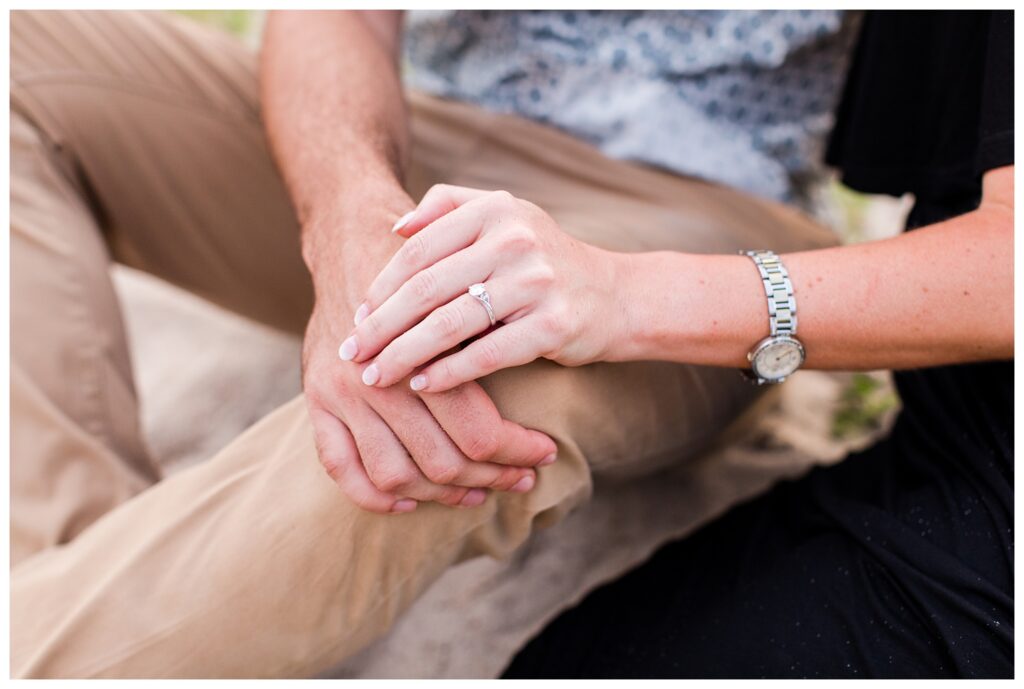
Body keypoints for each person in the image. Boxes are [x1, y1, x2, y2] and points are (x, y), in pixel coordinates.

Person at [10, 10, 856, 677]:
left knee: (465, 397)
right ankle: (82, 602)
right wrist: (349, 214)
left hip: (701, 210)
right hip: (419, 133)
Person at [326, 11, 1014, 678]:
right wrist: (346, 245)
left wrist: (625, 294)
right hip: (936, 445)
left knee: (443, 414)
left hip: (981, 524)